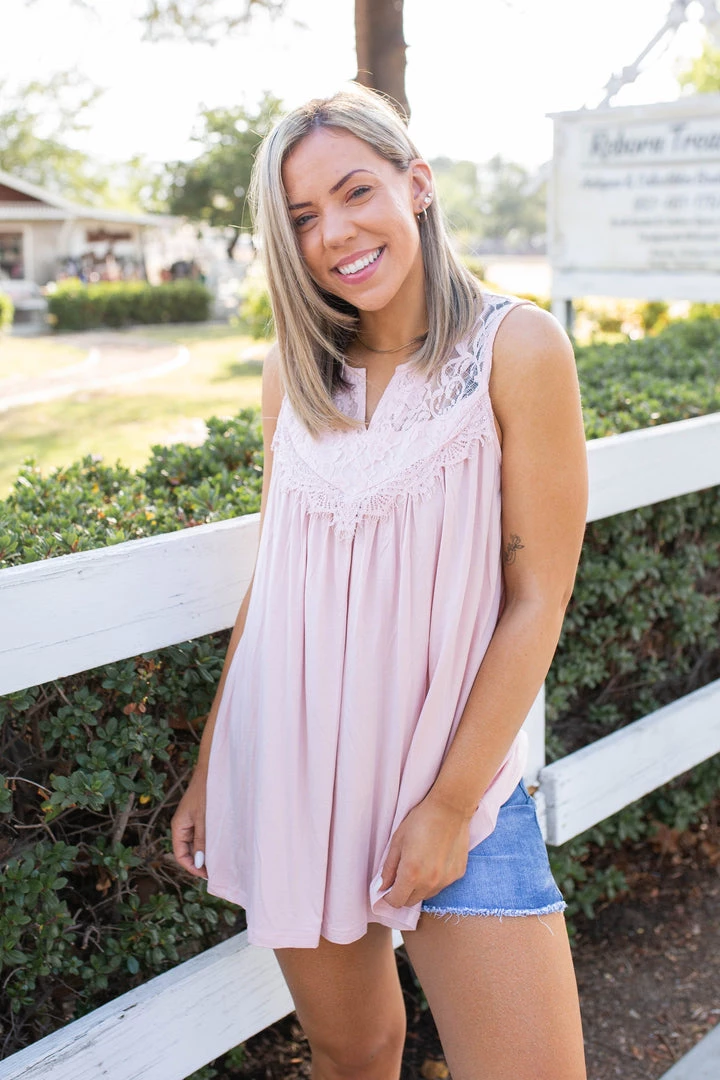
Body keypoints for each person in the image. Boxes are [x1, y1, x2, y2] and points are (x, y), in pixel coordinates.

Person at [172, 84, 588, 1080]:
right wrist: (209, 764)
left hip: (455, 781)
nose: (334, 234)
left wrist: (446, 807)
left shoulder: (515, 350)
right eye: (303, 218)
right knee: (353, 1053)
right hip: (299, 771)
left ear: (418, 185)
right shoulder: (295, 376)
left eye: (356, 192)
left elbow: (539, 597)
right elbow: (278, 580)